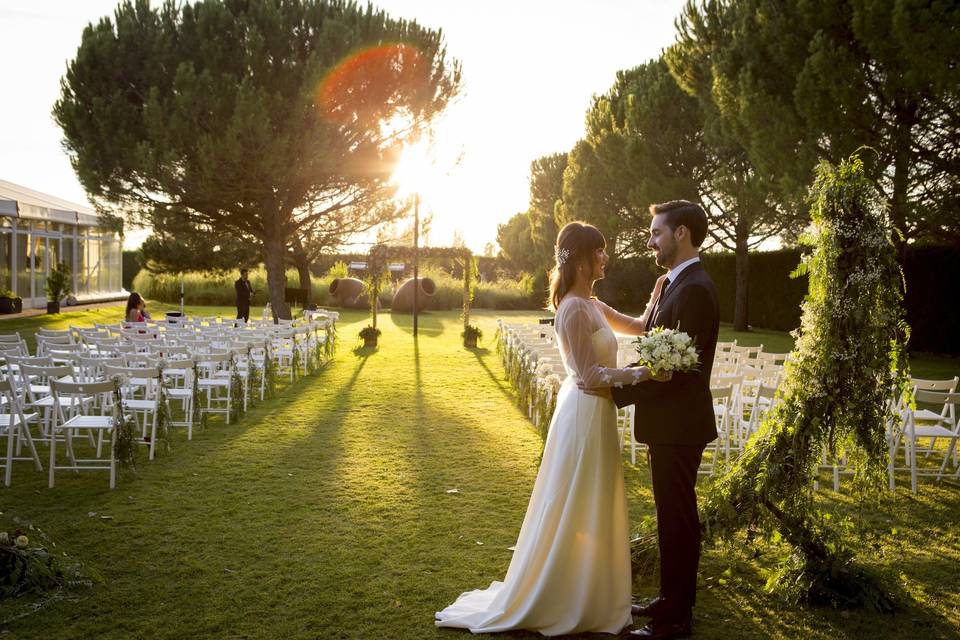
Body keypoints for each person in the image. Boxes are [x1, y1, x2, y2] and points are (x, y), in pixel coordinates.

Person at [435, 222, 670, 636]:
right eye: (599, 251)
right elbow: (588, 376)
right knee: (577, 500)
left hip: (599, 416)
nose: (605, 258)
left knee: (593, 500)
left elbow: (639, 326)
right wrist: (645, 375)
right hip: (585, 413)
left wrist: (657, 296)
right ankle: (565, 593)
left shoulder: (594, 304)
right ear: (580, 258)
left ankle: (592, 591)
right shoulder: (572, 310)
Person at [594, 200, 719, 639]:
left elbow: (678, 372)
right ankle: (669, 600)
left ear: (680, 233)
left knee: (678, 519)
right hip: (669, 425)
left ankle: (677, 617)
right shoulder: (671, 285)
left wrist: (614, 393)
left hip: (680, 424)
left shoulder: (696, 289)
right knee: (670, 517)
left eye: (656, 233)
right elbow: (658, 351)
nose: (650, 241)